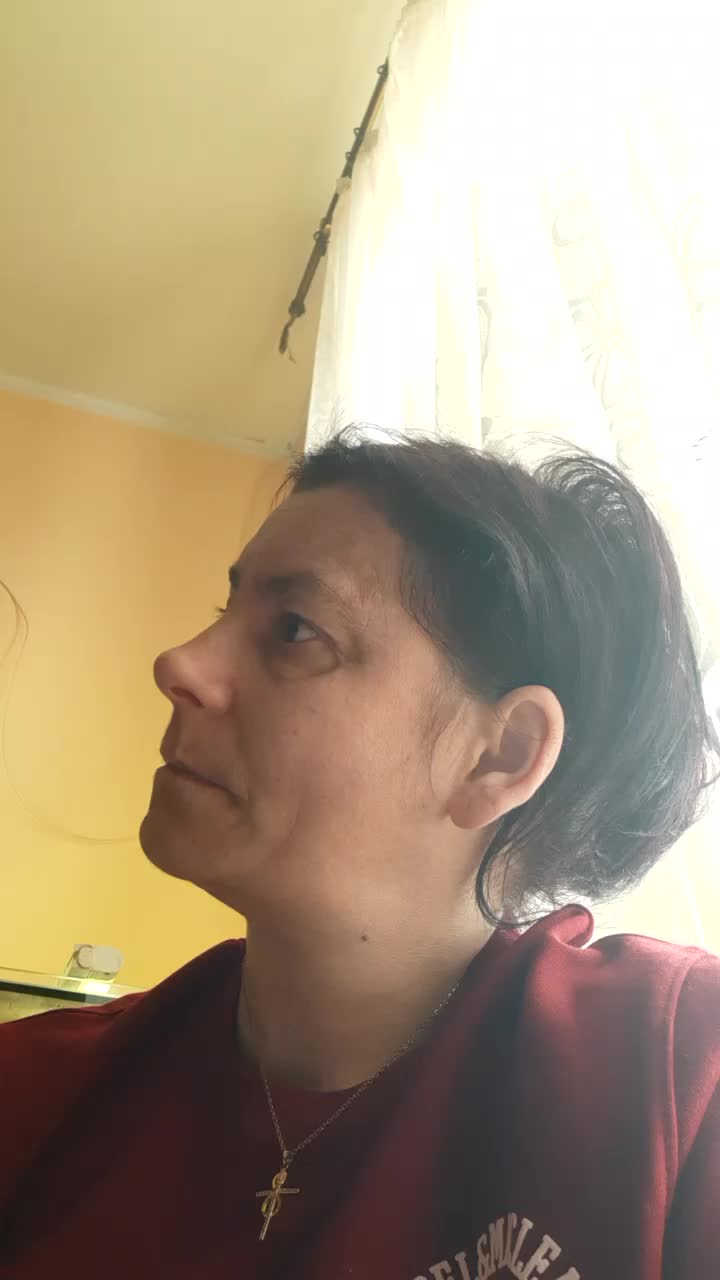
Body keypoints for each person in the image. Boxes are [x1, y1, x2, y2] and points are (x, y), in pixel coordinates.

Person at [1, 429, 718, 1280]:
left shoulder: (675, 1072)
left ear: (499, 756)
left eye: (295, 631)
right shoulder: (35, 1092)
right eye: (227, 609)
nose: (179, 663)